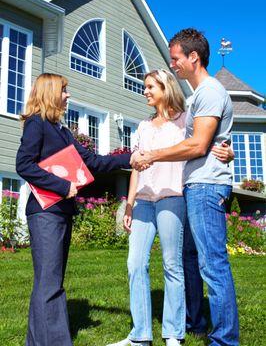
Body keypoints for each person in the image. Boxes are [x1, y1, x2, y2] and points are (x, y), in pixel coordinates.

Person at [107, 69, 233, 346]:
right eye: (145, 87)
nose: (146, 91)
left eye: (150, 86)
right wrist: (129, 205)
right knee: (135, 264)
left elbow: (206, 143)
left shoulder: (186, 120)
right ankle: (140, 334)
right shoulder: (142, 126)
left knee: (172, 264)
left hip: (172, 197)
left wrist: (229, 151)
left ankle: (173, 333)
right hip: (143, 201)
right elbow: (135, 169)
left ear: (166, 88)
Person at [131, 28, 239, 346]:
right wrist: (225, 149)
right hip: (197, 185)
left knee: (213, 264)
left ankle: (224, 340)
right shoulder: (196, 99)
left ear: (193, 57)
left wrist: (152, 155)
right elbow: (209, 141)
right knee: (205, 262)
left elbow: (197, 144)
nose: (172, 63)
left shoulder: (209, 91)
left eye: (175, 57)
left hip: (206, 186)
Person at [16, 73, 131, 346]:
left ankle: (36, 342)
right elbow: (24, 165)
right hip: (45, 213)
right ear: (50, 92)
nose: (68, 96)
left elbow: (92, 161)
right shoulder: (37, 124)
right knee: (50, 282)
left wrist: (131, 157)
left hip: (60, 212)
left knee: (48, 281)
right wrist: (61, 185)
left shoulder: (62, 131)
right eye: (64, 91)